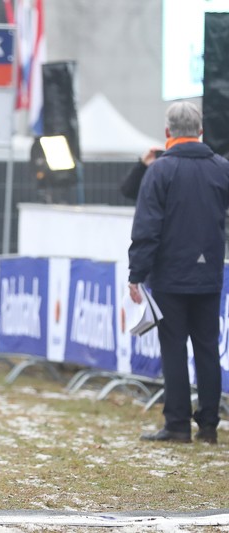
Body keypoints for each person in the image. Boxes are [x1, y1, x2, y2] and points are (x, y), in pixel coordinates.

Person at [128, 101, 229, 444]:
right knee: (207, 349)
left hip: (170, 276)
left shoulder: (159, 170)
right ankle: (210, 428)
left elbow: (147, 227)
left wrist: (136, 273)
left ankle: (177, 425)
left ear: (168, 132)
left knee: (173, 349)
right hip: (209, 275)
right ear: (200, 130)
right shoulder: (221, 168)